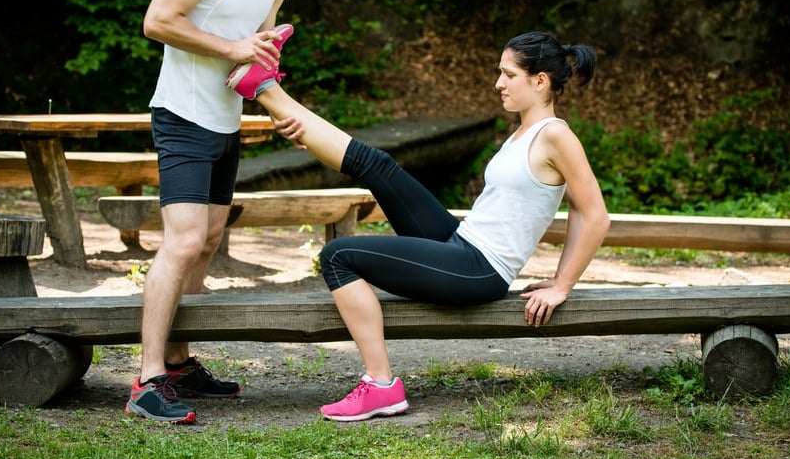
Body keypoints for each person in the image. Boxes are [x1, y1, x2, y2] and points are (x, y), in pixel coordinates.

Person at [229, 30, 611, 421]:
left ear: (540, 81)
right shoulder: (522, 133)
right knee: (378, 165)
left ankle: (381, 385)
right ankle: (266, 89)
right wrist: (310, 136)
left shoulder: (557, 135)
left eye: (508, 74)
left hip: (479, 268)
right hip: (461, 241)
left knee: (338, 255)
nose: (498, 83)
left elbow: (593, 213)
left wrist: (563, 284)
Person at [128, 0, 329, 424]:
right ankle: (146, 381)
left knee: (211, 238)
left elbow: (253, 59)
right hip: (182, 115)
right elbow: (157, 21)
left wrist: (282, 110)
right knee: (184, 241)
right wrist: (235, 48)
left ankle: (178, 364)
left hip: (227, 122)